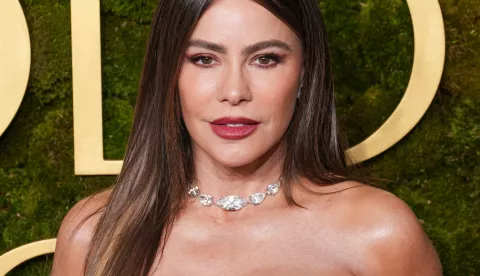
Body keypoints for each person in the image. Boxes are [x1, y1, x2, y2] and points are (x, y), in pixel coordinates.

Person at [51, 0, 443, 275]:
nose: (234, 91)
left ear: (305, 74)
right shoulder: (95, 232)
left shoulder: (377, 232)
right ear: (169, 74)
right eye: (204, 59)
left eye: (266, 59)